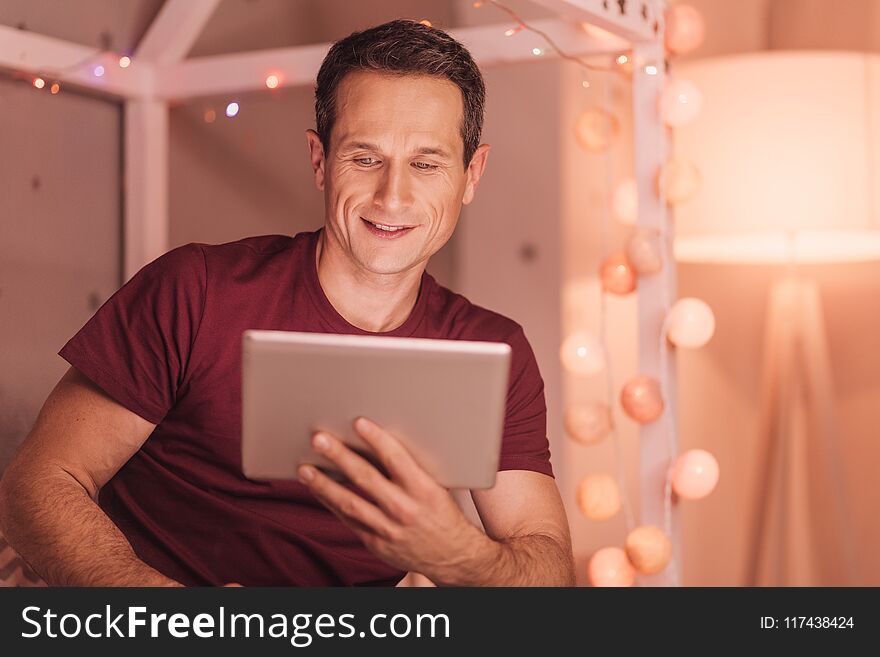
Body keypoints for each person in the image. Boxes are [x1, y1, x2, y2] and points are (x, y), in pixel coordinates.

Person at [0, 19, 574, 587]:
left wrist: (459, 555)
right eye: (365, 158)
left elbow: (547, 570)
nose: (393, 196)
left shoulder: (492, 349)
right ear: (320, 160)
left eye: (425, 164)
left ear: (471, 174)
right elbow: (38, 485)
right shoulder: (196, 289)